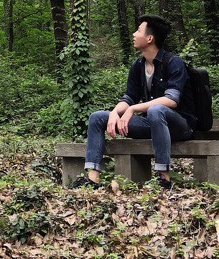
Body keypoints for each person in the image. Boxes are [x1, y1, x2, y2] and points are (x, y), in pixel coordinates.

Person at [71, 14, 196, 189]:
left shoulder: (173, 63)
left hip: (179, 126)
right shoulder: (138, 66)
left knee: (156, 110)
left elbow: (171, 100)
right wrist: (115, 112)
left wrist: (132, 109)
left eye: (138, 30)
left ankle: (164, 180)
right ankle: (92, 180)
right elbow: (129, 97)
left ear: (150, 38)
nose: (134, 34)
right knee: (97, 117)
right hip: (152, 124)